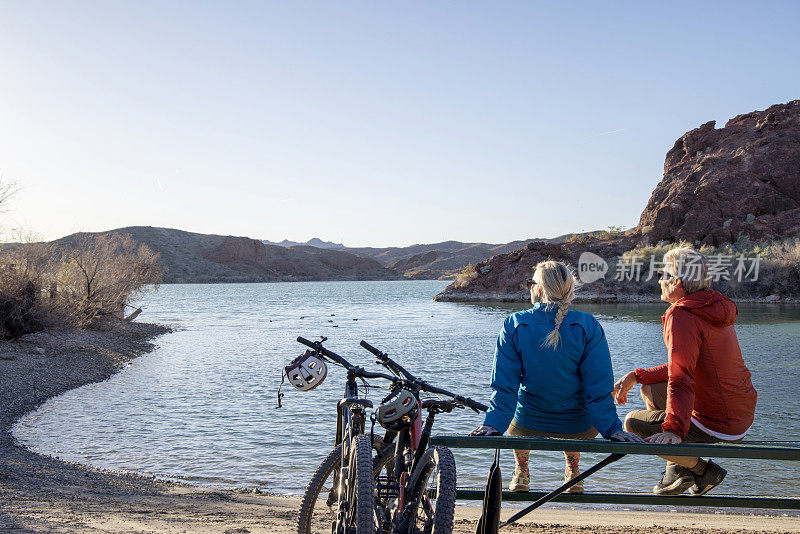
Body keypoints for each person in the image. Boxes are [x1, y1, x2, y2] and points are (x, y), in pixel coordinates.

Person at [470, 260, 641, 493]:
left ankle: (521, 469)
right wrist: (613, 429)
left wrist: (492, 425)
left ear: (538, 290)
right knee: (578, 402)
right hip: (578, 427)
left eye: (531, 283)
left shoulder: (515, 323)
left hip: (527, 424)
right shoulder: (587, 325)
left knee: (517, 405)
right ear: (569, 291)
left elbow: (504, 387)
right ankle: (573, 469)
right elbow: (598, 387)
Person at [614, 247, 757, 496]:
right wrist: (637, 376)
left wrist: (673, 429)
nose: (659, 280)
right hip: (741, 417)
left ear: (677, 282)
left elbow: (681, 377)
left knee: (632, 422)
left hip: (718, 424)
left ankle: (703, 470)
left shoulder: (680, 314)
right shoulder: (711, 307)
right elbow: (690, 365)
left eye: (663, 274)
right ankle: (678, 468)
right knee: (649, 387)